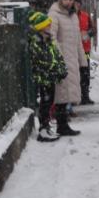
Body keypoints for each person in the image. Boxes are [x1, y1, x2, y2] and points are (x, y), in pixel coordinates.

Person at [47, 0, 85, 136]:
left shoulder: (73, 16)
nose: (68, 2)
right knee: (61, 93)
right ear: (60, 0)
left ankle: (64, 125)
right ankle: (61, 125)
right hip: (62, 60)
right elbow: (51, 37)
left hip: (72, 59)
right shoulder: (54, 14)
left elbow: (78, 40)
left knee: (67, 94)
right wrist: (59, 56)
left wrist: (82, 60)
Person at [28, 11, 67, 142]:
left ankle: (46, 127)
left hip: (50, 77)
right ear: (41, 27)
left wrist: (61, 68)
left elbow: (56, 56)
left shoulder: (48, 40)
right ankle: (43, 129)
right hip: (44, 78)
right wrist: (54, 69)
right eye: (47, 25)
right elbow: (43, 60)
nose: (50, 27)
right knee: (45, 104)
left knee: (49, 103)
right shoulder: (37, 42)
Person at [76, 0, 95, 105]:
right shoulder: (68, 16)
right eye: (75, 3)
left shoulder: (85, 16)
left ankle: (85, 95)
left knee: (85, 73)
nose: (77, 5)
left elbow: (93, 29)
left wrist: (87, 34)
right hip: (72, 51)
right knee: (74, 74)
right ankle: (76, 96)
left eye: (78, 3)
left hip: (85, 50)